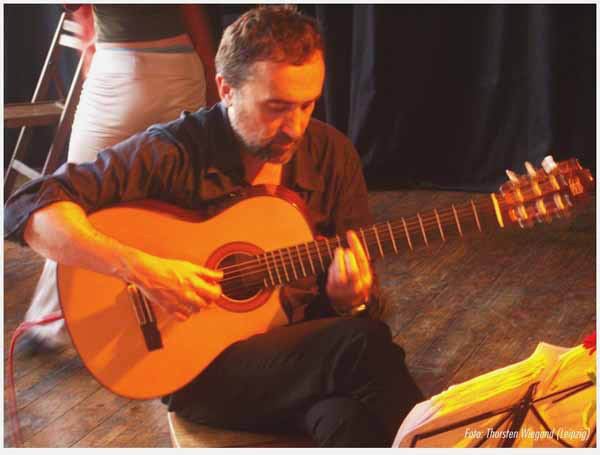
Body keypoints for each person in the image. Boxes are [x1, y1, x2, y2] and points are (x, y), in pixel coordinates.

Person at [5, 6, 423, 446]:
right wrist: (142, 270)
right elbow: (27, 207)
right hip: (198, 370)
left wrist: (349, 301)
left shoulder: (331, 156)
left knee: (347, 419)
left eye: (307, 104)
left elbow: (362, 305)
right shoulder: (174, 151)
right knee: (362, 345)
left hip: (299, 356)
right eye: (276, 107)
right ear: (226, 89)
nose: (295, 127)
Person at [24, 4, 218, 348]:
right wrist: (207, 69)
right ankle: (181, 316)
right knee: (174, 206)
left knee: (69, 197)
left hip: (122, 70)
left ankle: (49, 322)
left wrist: (86, 27)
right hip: (183, 66)